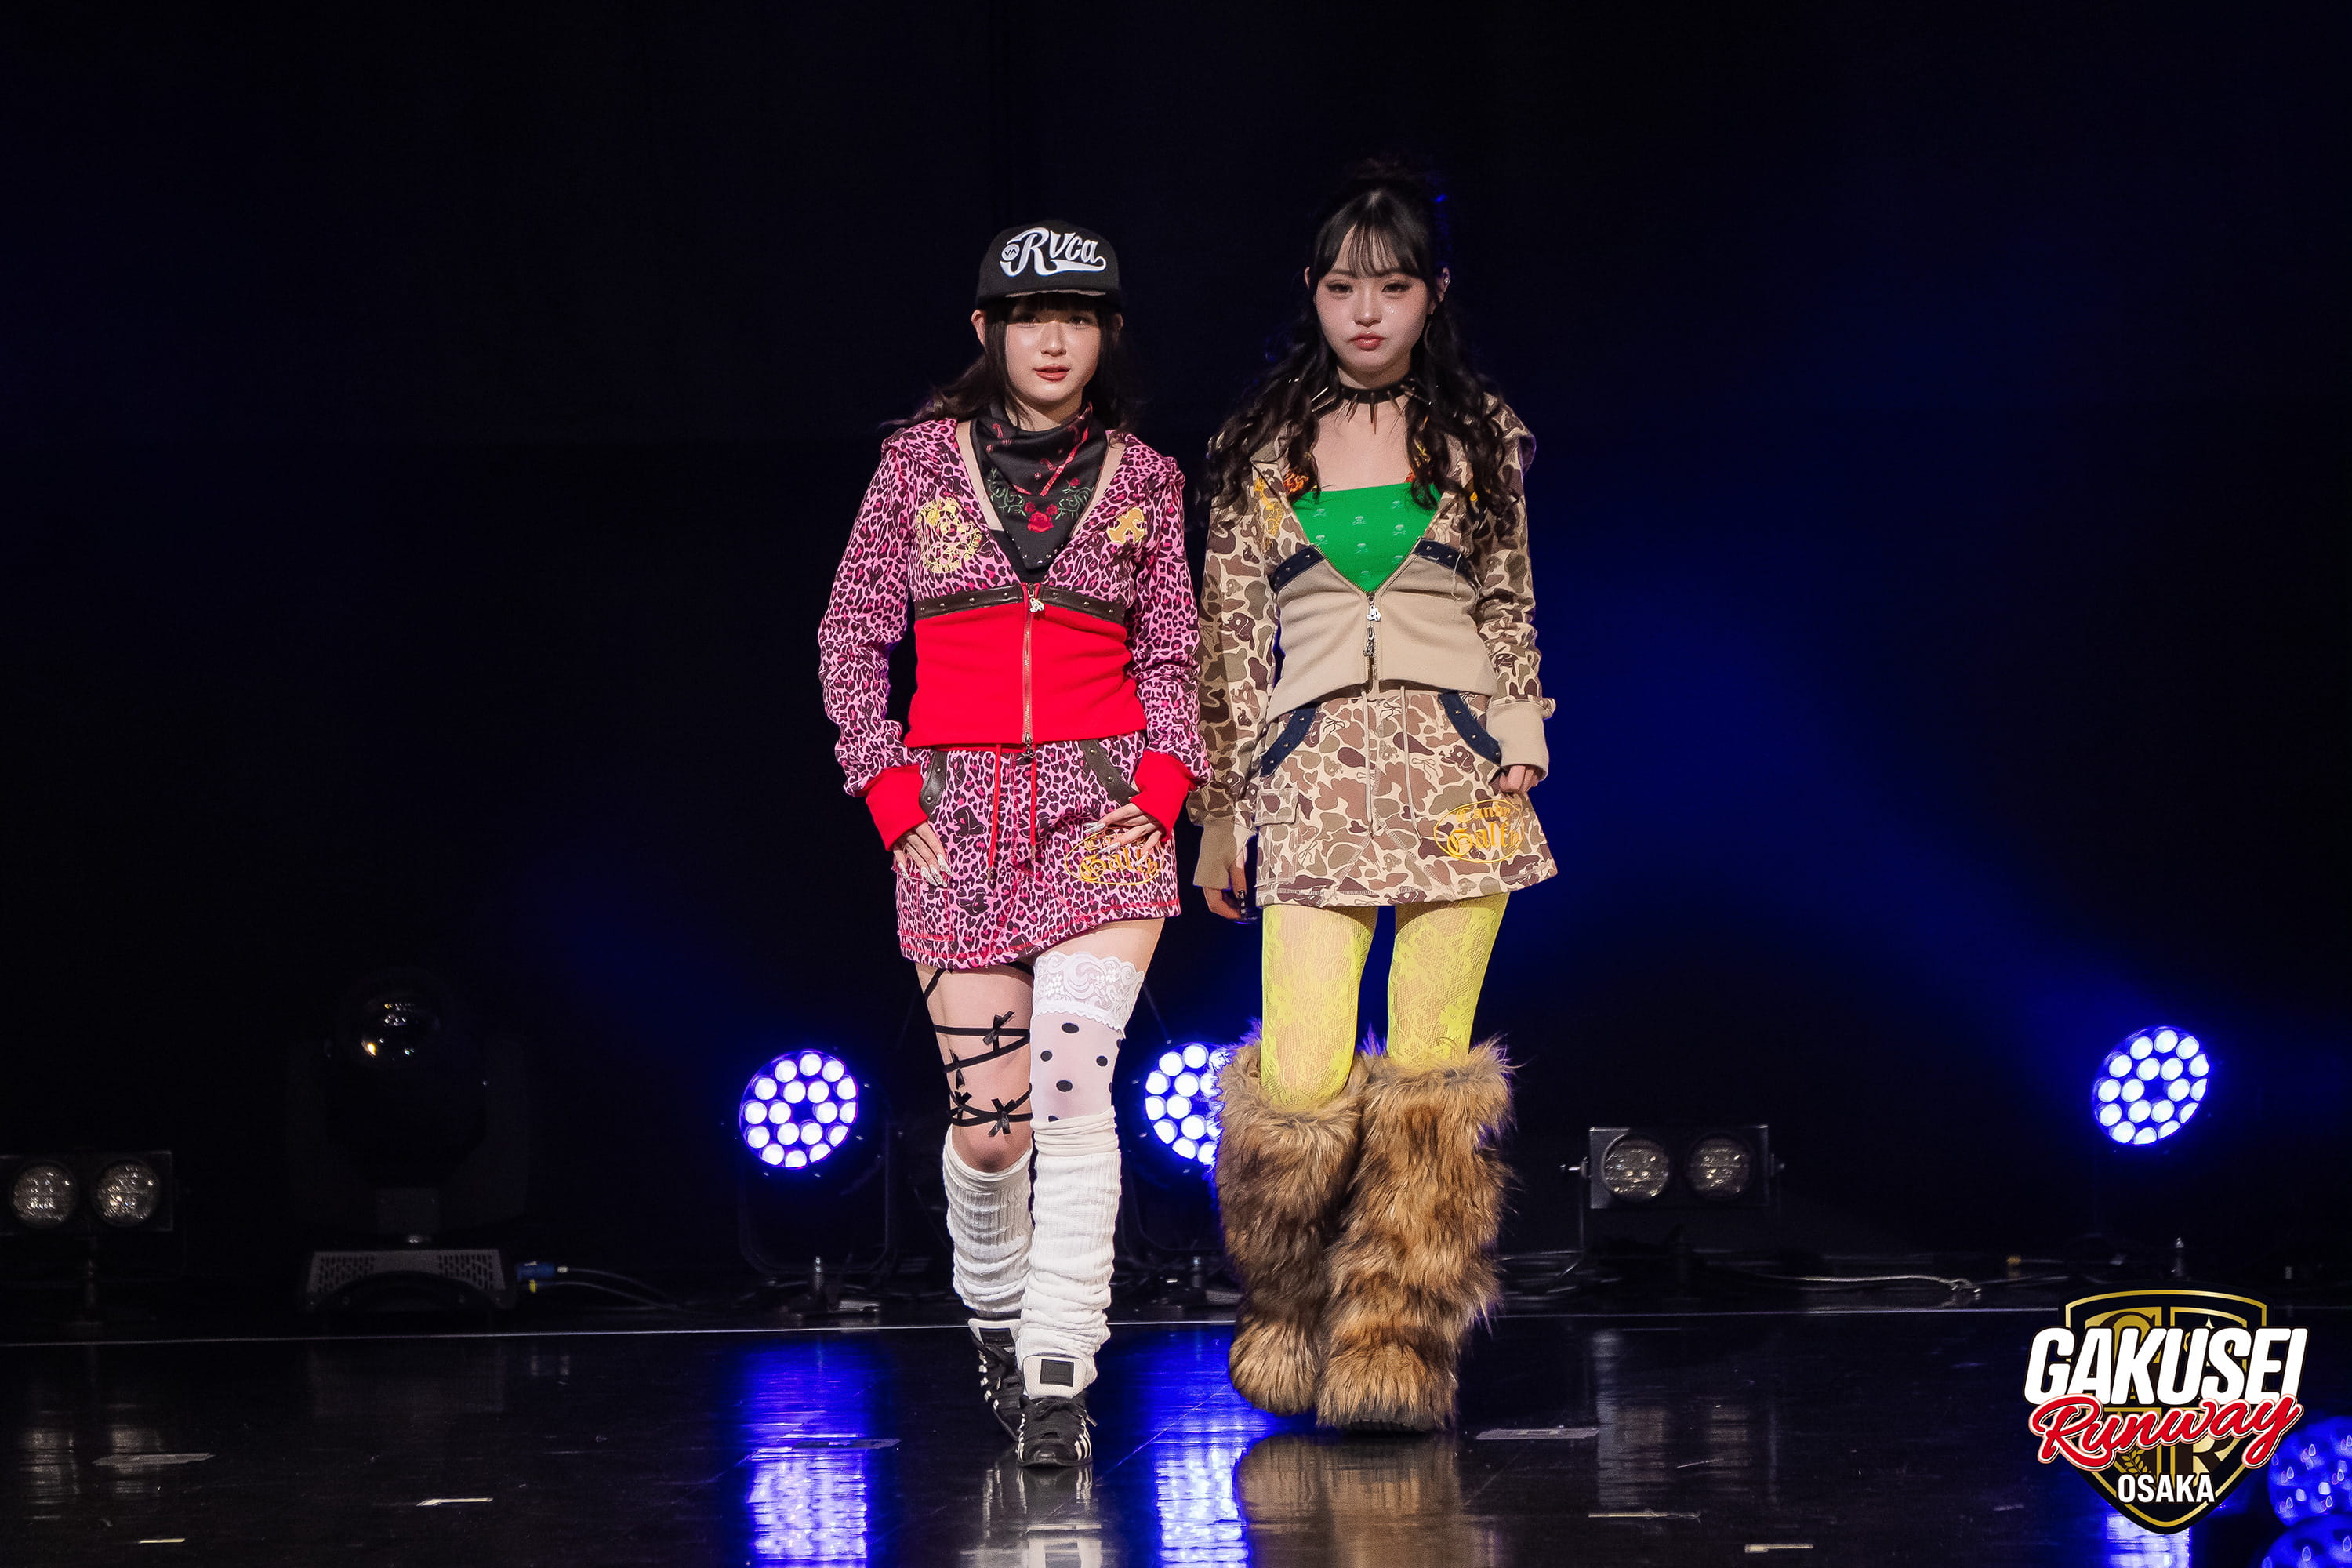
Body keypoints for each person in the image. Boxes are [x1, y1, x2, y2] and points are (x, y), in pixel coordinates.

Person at [818, 221, 1203, 1466]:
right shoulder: (916, 467)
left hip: (1103, 816)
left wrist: (1162, 786)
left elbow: (1175, 652)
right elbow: (851, 634)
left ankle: (1057, 1376)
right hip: (956, 817)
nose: (1054, 339)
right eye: (1032, 316)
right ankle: (994, 1316)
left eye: (1079, 317)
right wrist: (890, 794)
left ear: (1108, 333)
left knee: (1075, 1094)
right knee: (994, 1128)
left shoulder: (1147, 479)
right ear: (986, 329)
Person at [1193, 165, 1555, 1431]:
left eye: (1392, 288)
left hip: (1459, 774)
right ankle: (1292, 1319)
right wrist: (1222, 812)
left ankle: (1396, 1350)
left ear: (1431, 296)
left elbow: (1508, 597)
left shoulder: (1479, 435)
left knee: (1429, 1077)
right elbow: (1227, 640)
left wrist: (1520, 729)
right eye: (1344, 287)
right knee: (1297, 1082)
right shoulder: (1257, 446)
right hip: (1311, 780)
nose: (1365, 312)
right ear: (1312, 291)